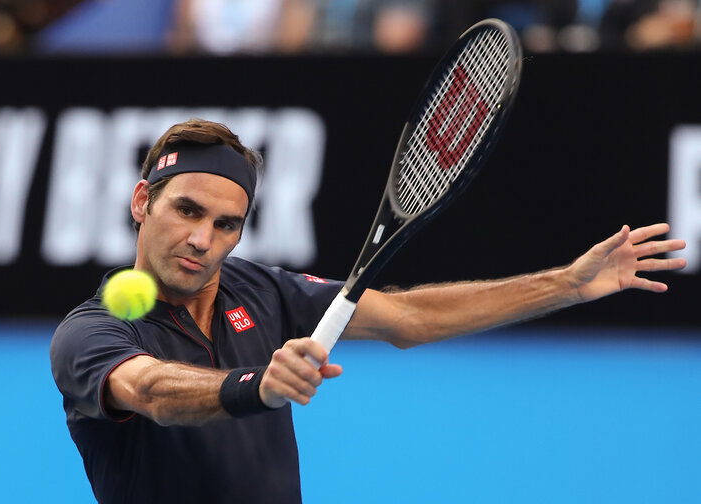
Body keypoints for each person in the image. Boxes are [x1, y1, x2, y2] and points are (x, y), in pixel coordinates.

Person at [50, 118, 686, 504]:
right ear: (142, 202)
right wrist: (257, 386)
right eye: (186, 211)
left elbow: (409, 319)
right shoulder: (88, 333)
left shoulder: (262, 291)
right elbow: (153, 390)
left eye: (226, 224)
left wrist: (566, 285)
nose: (202, 239)